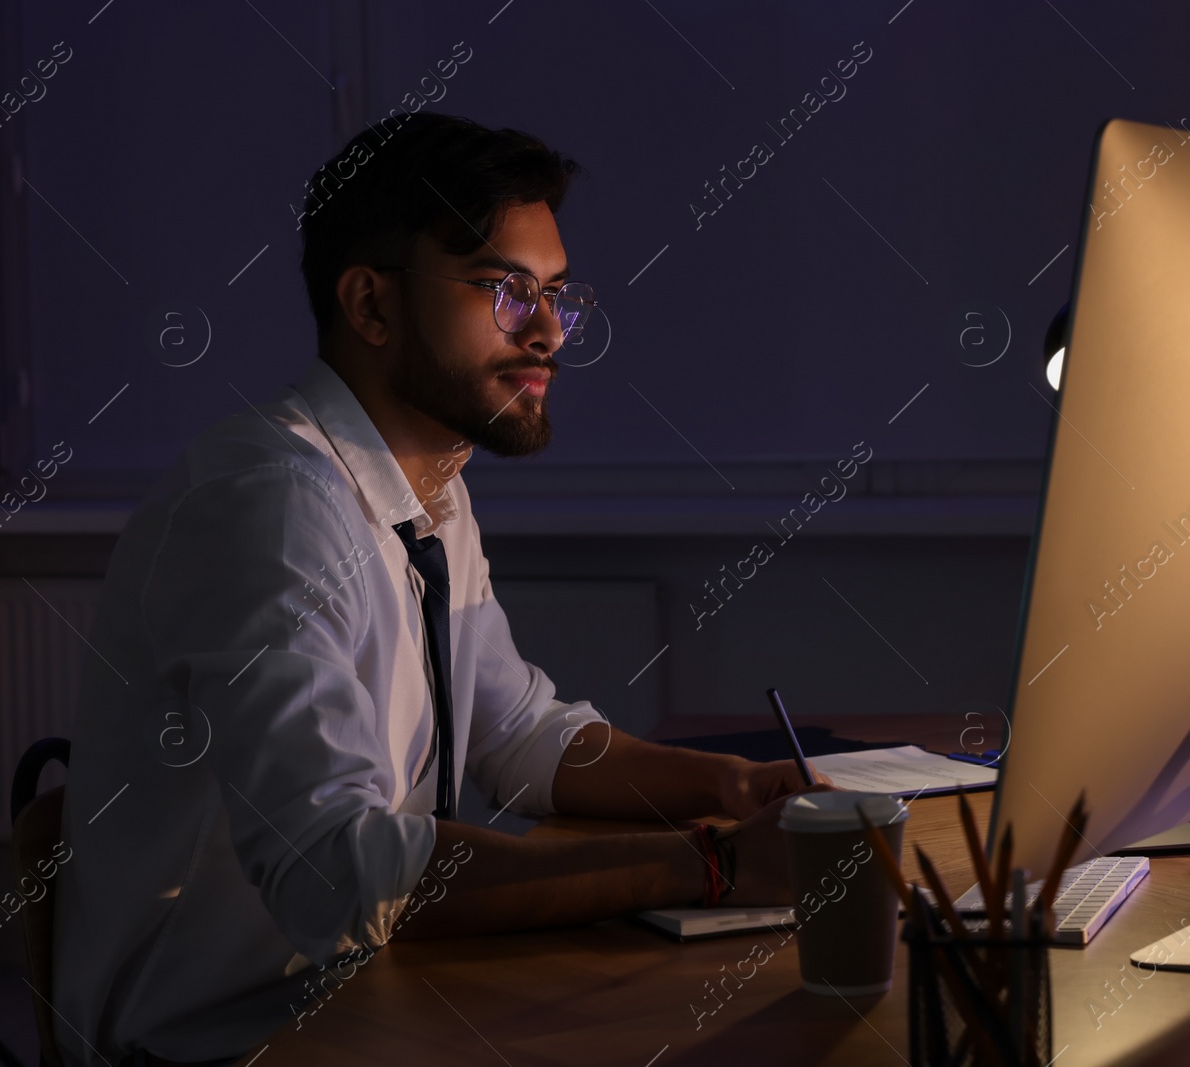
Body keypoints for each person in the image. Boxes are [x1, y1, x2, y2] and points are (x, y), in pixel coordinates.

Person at [51, 111, 831, 1067]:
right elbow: (337, 878)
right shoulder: (268, 506)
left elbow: (519, 732)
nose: (549, 331)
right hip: (231, 1042)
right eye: (506, 291)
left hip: (362, 999)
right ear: (372, 307)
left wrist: (732, 788)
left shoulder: (431, 490)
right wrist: (708, 863)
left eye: (553, 294)